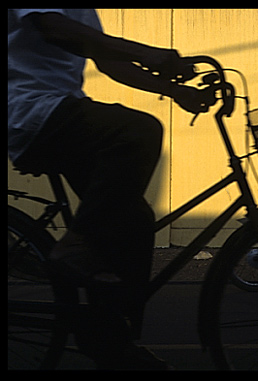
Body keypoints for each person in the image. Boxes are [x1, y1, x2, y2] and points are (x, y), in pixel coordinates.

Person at [8, 9, 205, 369]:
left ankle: (110, 343)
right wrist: (145, 52)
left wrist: (175, 90)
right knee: (137, 131)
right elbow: (53, 28)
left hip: (57, 110)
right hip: (27, 110)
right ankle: (75, 246)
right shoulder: (57, 17)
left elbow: (108, 60)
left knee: (132, 221)